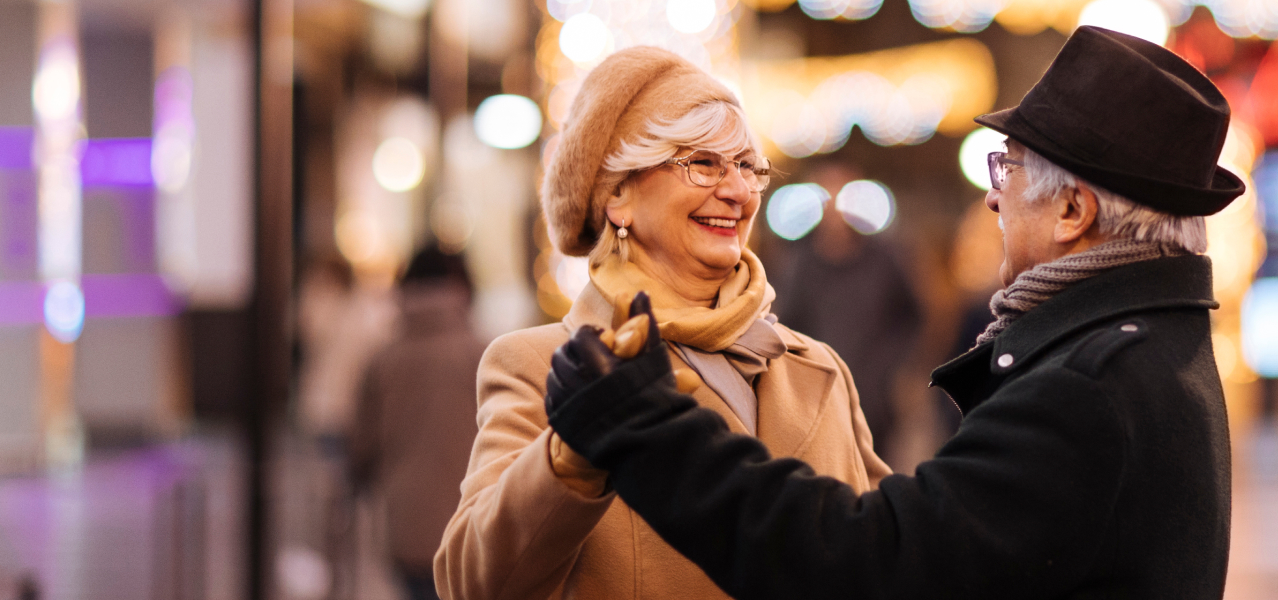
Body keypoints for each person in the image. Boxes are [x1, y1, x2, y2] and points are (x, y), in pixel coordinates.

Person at [538, 26, 1245, 600]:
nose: (994, 198)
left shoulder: (1087, 387)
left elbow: (871, 563)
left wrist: (644, 431)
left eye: (1010, 169)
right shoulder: (1156, 348)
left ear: (1072, 210)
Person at [434, 47, 891, 600]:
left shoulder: (817, 367)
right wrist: (573, 455)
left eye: (748, 167)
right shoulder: (542, 365)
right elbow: (472, 583)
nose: (738, 191)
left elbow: (890, 554)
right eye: (703, 163)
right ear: (618, 196)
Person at [351, 246, 486, 600]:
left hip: (406, 527)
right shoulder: (486, 354)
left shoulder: (383, 360)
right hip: (475, 528)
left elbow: (361, 450)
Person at [770, 164, 924, 461]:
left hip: (876, 398)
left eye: (842, 196)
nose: (835, 208)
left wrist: (896, 369)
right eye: (827, 197)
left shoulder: (886, 258)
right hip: (820, 397)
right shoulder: (799, 264)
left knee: (878, 474)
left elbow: (913, 317)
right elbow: (785, 325)